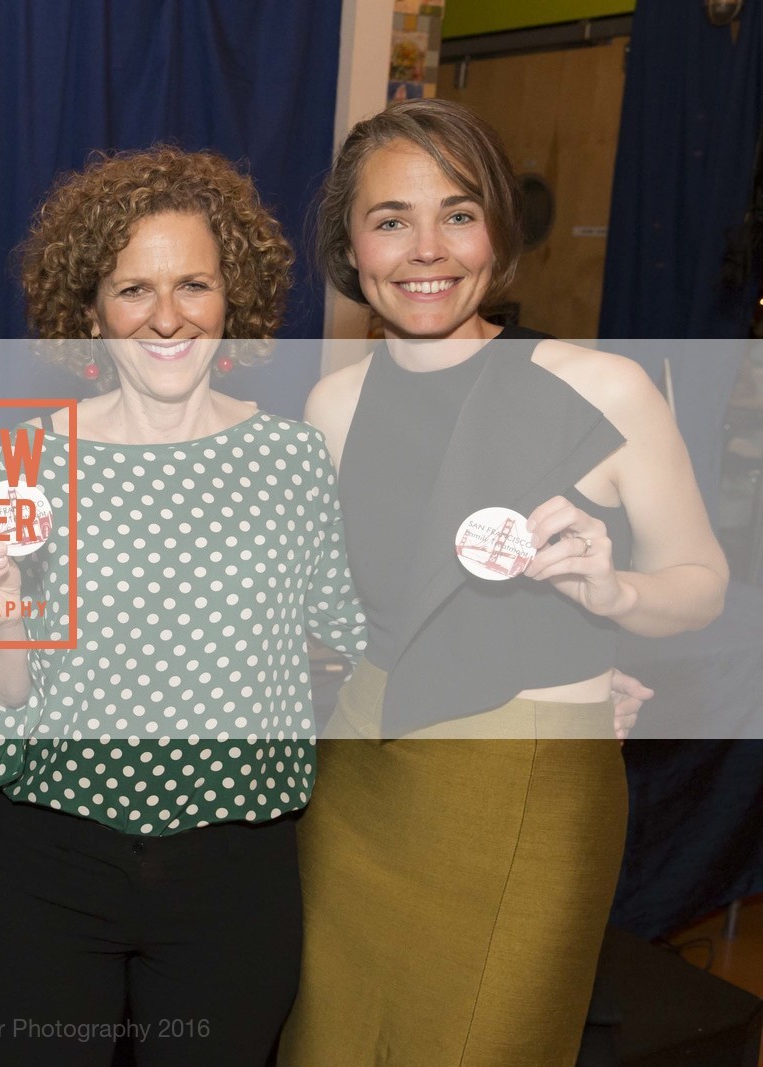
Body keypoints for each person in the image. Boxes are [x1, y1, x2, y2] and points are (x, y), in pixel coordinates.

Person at [280, 99, 728, 1065]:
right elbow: (346, 610)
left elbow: (701, 584)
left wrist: (614, 601)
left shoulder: (601, 388)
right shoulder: (333, 404)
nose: (426, 249)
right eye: (390, 219)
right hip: (358, 780)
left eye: (460, 211)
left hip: (525, 795)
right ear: (351, 248)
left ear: (499, 232)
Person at [0, 146, 368, 1066]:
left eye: (194, 284)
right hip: (49, 868)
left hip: (233, 878)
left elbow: (360, 631)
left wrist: (556, 650)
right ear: (89, 310)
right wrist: (0, 618)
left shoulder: (292, 463)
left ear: (233, 295)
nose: (166, 318)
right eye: (133, 289)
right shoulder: (25, 462)